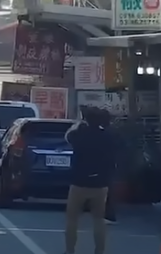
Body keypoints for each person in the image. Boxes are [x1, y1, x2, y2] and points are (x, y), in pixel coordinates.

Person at [63, 106, 117, 254]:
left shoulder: (79, 134)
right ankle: (99, 251)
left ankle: (70, 250)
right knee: (98, 219)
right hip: (100, 183)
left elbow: (67, 137)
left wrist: (79, 123)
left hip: (79, 182)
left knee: (72, 218)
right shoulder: (108, 136)